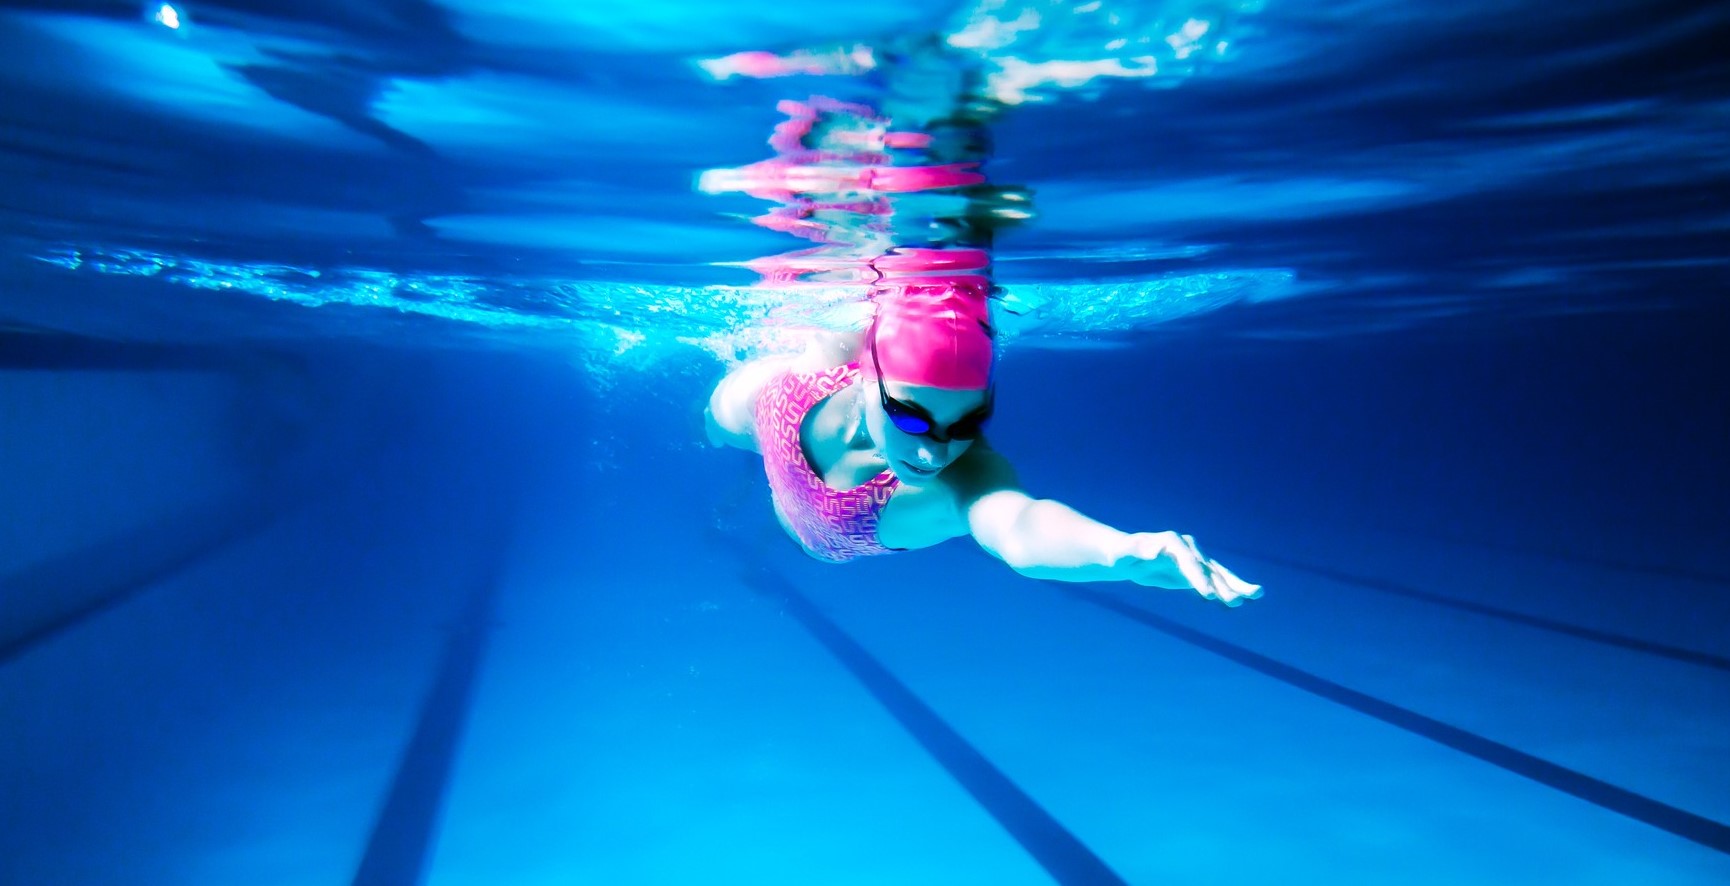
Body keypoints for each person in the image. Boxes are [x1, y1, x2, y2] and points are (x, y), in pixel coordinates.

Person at [704, 272, 1261, 606]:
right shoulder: (813, 363)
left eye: (966, 424)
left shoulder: (958, 481)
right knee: (712, 422)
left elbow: (1018, 525)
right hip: (768, 422)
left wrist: (1118, 552)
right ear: (866, 378)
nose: (934, 454)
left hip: (818, 540)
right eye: (912, 418)